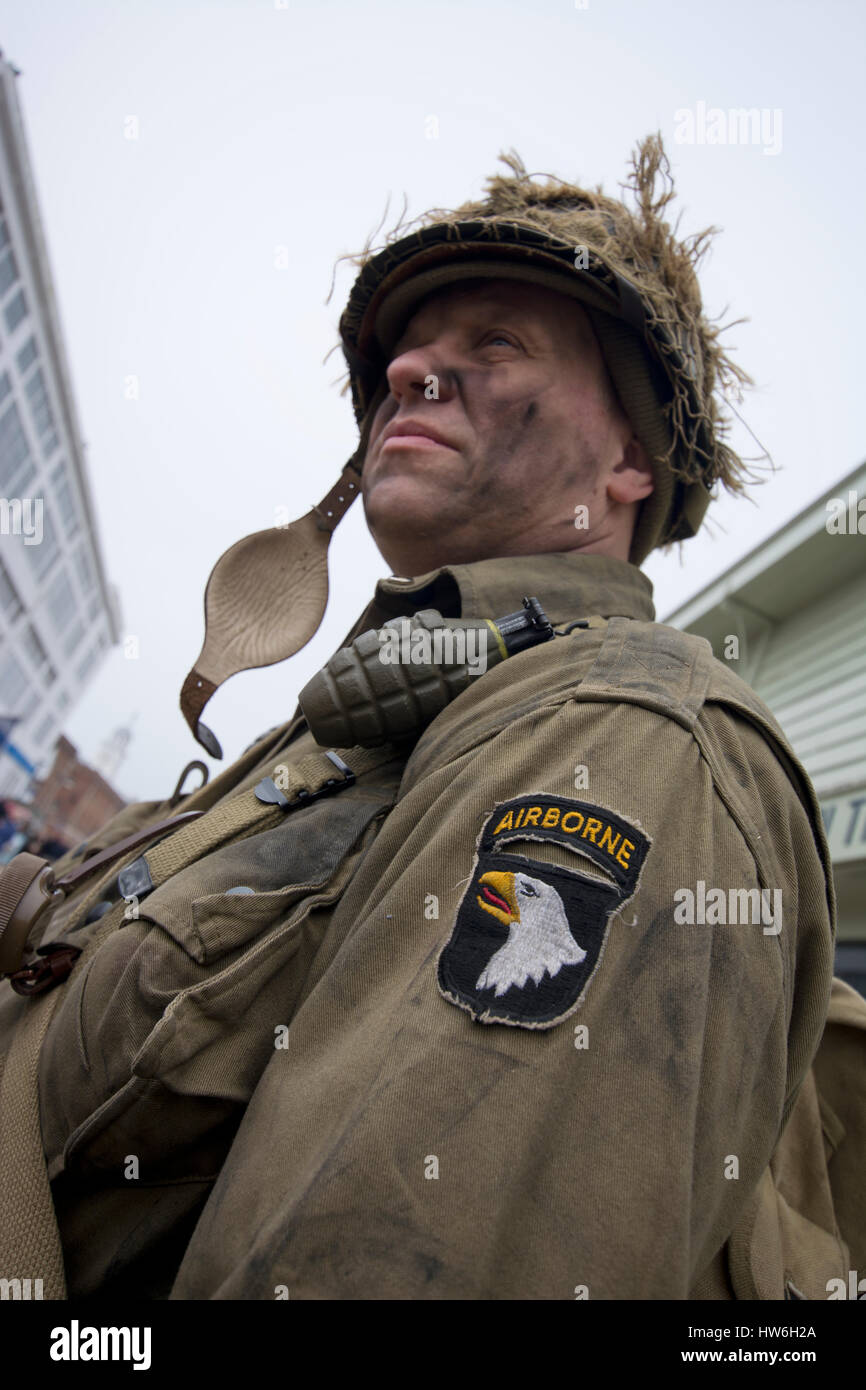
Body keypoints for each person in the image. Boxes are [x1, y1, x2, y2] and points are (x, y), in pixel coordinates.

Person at [0, 135, 856, 1301]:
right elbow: (83, 913)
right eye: (408, 347)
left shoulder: (617, 735)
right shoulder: (355, 730)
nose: (409, 369)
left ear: (627, 465)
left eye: (493, 342)